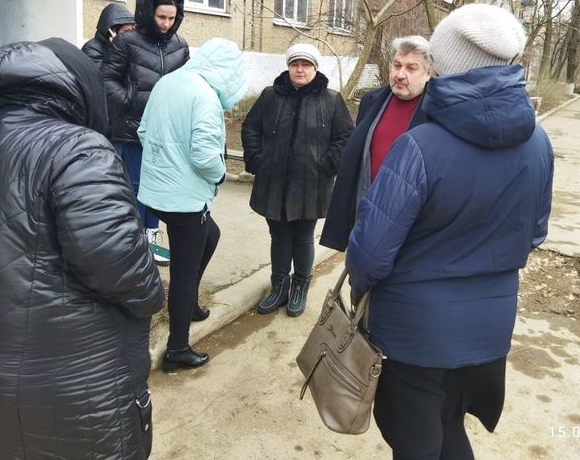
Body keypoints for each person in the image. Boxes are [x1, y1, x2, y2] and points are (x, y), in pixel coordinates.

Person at [0, 38, 166, 460]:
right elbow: (120, 266)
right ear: (79, 89)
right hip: (64, 382)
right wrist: (154, 295)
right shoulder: (78, 149)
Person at [345, 4, 554, 460]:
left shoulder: (419, 146)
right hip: (490, 325)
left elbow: (370, 254)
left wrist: (361, 292)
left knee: (415, 438)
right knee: (449, 425)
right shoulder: (539, 142)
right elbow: (535, 233)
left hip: (414, 330)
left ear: (448, 65)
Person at [138, 38, 249, 372]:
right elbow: (204, 157)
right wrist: (218, 177)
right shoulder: (204, 96)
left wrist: (166, 164)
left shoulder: (167, 82)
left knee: (210, 236)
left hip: (159, 195)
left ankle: (189, 305)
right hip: (185, 200)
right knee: (184, 273)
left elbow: (144, 131)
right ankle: (177, 349)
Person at [242, 43, 353, 317]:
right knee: (278, 235)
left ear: (315, 68)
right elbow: (251, 126)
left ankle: (301, 286)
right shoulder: (270, 96)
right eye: (295, 64)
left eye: (306, 65)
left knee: (303, 237)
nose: (300, 69)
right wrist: (256, 159)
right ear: (288, 67)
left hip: (311, 184)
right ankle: (279, 286)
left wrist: (326, 165)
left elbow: (346, 137)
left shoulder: (331, 100)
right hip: (273, 181)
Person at [101, 0, 189, 261]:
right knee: (135, 189)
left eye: (171, 18)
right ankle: (133, 243)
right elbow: (105, 79)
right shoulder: (127, 43)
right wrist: (130, 100)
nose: (165, 24)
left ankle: (152, 236)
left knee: (159, 186)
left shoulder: (180, 46)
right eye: (161, 17)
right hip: (130, 130)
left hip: (165, 132)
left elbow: (188, 83)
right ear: (149, 13)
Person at [319, 35, 432, 252]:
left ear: (428, 73)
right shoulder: (373, 101)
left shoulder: (435, 110)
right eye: (397, 65)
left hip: (409, 218)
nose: (400, 74)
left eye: (411, 68)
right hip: (366, 208)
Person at [81, 2, 136, 66]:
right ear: (111, 31)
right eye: (126, 31)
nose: (129, 35)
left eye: (132, 31)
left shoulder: (127, 47)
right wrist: (116, 49)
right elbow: (102, 74)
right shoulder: (91, 49)